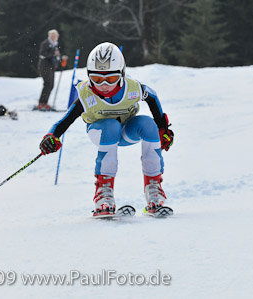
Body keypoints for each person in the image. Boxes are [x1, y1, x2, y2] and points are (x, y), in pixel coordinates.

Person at [39, 42, 174, 217]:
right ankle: (103, 194)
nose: (103, 84)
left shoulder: (132, 88)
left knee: (148, 124)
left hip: (126, 131)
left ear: (121, 74)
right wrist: (51, 136)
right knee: (111, 125)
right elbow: (65, 120)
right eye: (96, 79)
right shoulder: (87, 94)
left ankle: (154, 191)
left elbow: (152, 97)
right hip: (100, 132)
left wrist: (162, 128)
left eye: (110, 79)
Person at [37, 29, 63, 111]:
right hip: (44, 66)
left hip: (51, 67)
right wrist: (53, 54)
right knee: (47, 84)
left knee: (51, 85)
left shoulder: (55, 45)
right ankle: (41, 103)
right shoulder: (45, 43)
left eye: (55, 36)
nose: (54, 37)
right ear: (49, 36)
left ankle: (45, 103)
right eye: (52, 36)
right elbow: (42, 54)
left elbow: (56, 56)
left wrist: (60, 59)